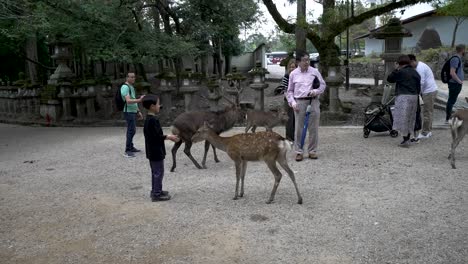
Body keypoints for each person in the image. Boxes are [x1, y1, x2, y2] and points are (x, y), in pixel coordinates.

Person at [287, 51, 326, 161]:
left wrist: (316, 91)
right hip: (299, 102)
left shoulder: (315, 72)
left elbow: (323, 85)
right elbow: (289, 91)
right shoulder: (293, 74)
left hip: (313, 101)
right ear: (298, 62)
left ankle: (312, 151)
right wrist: (293, 102)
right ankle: (299, 151)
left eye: (308, 60)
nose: (307, 62)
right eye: (304, 60)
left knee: (313, 128)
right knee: (298, 128)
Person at [142, 94, 179, 202]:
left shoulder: (150, 119)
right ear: (152, 106)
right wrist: (169, 137)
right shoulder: (152, 121)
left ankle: (156, 190)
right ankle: (156, 195)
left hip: (153, 151)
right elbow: (155, 137)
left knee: (156, 172)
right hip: (155, 151)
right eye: (158, 104)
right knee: (158, 172)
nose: (159, 106)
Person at [387, 55, 421, 147]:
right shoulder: (415, 72)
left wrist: (396, 69)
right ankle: (408, 138)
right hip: (414, 97)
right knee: (410, 118)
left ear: (399, 63)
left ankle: (406, 140)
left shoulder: (400, 72)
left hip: (403, 97)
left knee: (403, 119)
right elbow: (418, 87)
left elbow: (390, 79)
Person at [408, 54, 438, 139]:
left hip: (429, 91)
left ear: (412, 61)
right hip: (429, 91)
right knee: (429, 112)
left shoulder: (420, 68)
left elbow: (421, 83)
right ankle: (428, 130)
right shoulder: (419, 66)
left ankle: (425, 132)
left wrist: (416, 94)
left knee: (427, 112)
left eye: (409, 64)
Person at [121, 72, 145, 158]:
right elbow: (128, 101)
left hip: (133, 111)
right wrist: (140, 100)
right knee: (131, 130)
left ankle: (131, 147)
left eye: (134, 77)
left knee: (133, 130)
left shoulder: (131, 87)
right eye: (131, 77)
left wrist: (138, 111)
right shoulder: (125, 87)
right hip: (128, 111)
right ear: (127, 78)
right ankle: (127, 150)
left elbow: (133, 100)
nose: (133, 79)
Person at [445, 44, 465, 124]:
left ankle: (449, 117)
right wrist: (459, 81)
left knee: (452, 100)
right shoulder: (456, 59)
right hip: (455, 84)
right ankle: (448, 118)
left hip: (456, 83)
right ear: (462, 50)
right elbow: (452, 73)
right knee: (451, 101)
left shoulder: (458, 58)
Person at [282, 59, 298, 141]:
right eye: (291, 67)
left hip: (298, 99)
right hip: (288, 100)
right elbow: (284, 89)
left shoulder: (299, 76)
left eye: (294, 67)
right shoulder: (286, 76)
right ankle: (289, 137)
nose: (292, 69)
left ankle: (295, 137)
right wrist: (289, 100)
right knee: (289, 120)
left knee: (296, 120)